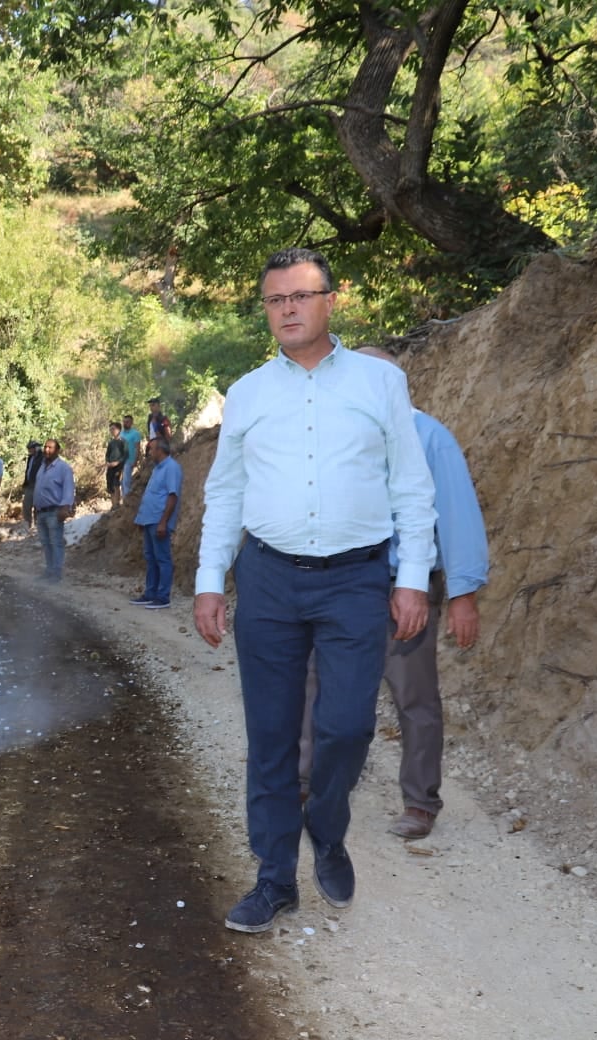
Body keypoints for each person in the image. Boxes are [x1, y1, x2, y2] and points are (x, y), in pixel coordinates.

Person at [193, 247, 437, 934]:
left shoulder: (378, 385)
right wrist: (211, 581)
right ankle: (274, 879)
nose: (288, 310)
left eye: (301, 296)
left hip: (357, 580)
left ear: (332, 300)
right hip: (268, 578)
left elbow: (410, 487)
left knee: (347, 726)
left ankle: (326, 830)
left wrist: (411, 577)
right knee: (269, 738)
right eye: (275, 300)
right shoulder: (247, 394)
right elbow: (226, 493)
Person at [298, 346, 489, 840]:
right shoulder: (341, 437)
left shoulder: (429, 436)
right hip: (339, 585)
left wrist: (463, 595)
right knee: (315, 685)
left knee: (413, 696)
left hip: (404, 586)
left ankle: (421, 802)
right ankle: (303, 784)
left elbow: (458, 515)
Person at [130, 436, 181, 609]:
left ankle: (163, 597)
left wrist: (163, 522)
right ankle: (150, 593)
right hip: (149, 520)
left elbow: (172, 496)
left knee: (162, 559)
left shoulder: (171, 468)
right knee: (151, 558)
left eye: (151, 449)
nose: (149, 452)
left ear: (160, 450)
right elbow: (152, 495)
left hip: (159, 521)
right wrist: (140, 519)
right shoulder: (157, 468)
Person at [32, 438, 75, 582]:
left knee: (55, 542)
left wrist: (65, 508)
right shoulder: (42, 466)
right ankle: (49, 571)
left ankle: (56, 574)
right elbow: (38, 488)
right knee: (45, 542)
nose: (46, 450)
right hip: (41, 511)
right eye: (45, 447)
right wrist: (34, 508)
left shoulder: (64, 468)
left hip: (54, 511)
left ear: (58, 450)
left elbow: (69, 489)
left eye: (50, 448)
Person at [20, 440, 44, 531]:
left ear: (36, 448)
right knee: (26, 504)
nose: (29, 450)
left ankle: (38, 525)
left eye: (30, 448)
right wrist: (25, 482)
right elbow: (28, 471)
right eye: (28, 449)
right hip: (29, 484)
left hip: (39, 484)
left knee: (38, 505)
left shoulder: (43, 457)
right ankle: (28, 524)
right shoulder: (30, 458)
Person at [104, 421, 128, 508]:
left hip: (119, 466)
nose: (111, 431)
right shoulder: (111, 442)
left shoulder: (123, 442)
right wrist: (107, 462)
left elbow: (125, 455)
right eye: (110, 429)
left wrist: (117, 462)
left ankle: (117, 503)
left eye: (113, 429)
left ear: (119, 429)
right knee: (109, 484)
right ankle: (113, 504)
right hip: (110, 466)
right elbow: (107, 454)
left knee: (116, 483)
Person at [120, 416, 143, 494]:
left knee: (126, 480)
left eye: (127, 422)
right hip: (121, 460)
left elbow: (137, 448)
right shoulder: (121, 433)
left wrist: (136, 460)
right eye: (124, 422)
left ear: (131, 423)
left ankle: (126, 499)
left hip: (130, 460)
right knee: (122, 481)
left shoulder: (135, 433)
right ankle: (124, 499)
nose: (125, 423)